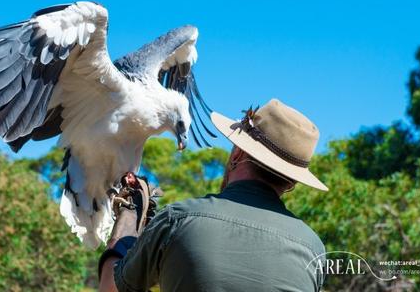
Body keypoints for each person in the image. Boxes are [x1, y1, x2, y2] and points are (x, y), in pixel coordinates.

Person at [98, 99, 328, 292]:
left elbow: (112, 288)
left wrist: (129, 219)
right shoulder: (313, 249)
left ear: (237, 152)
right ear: (293, 180)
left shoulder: (178, 219)